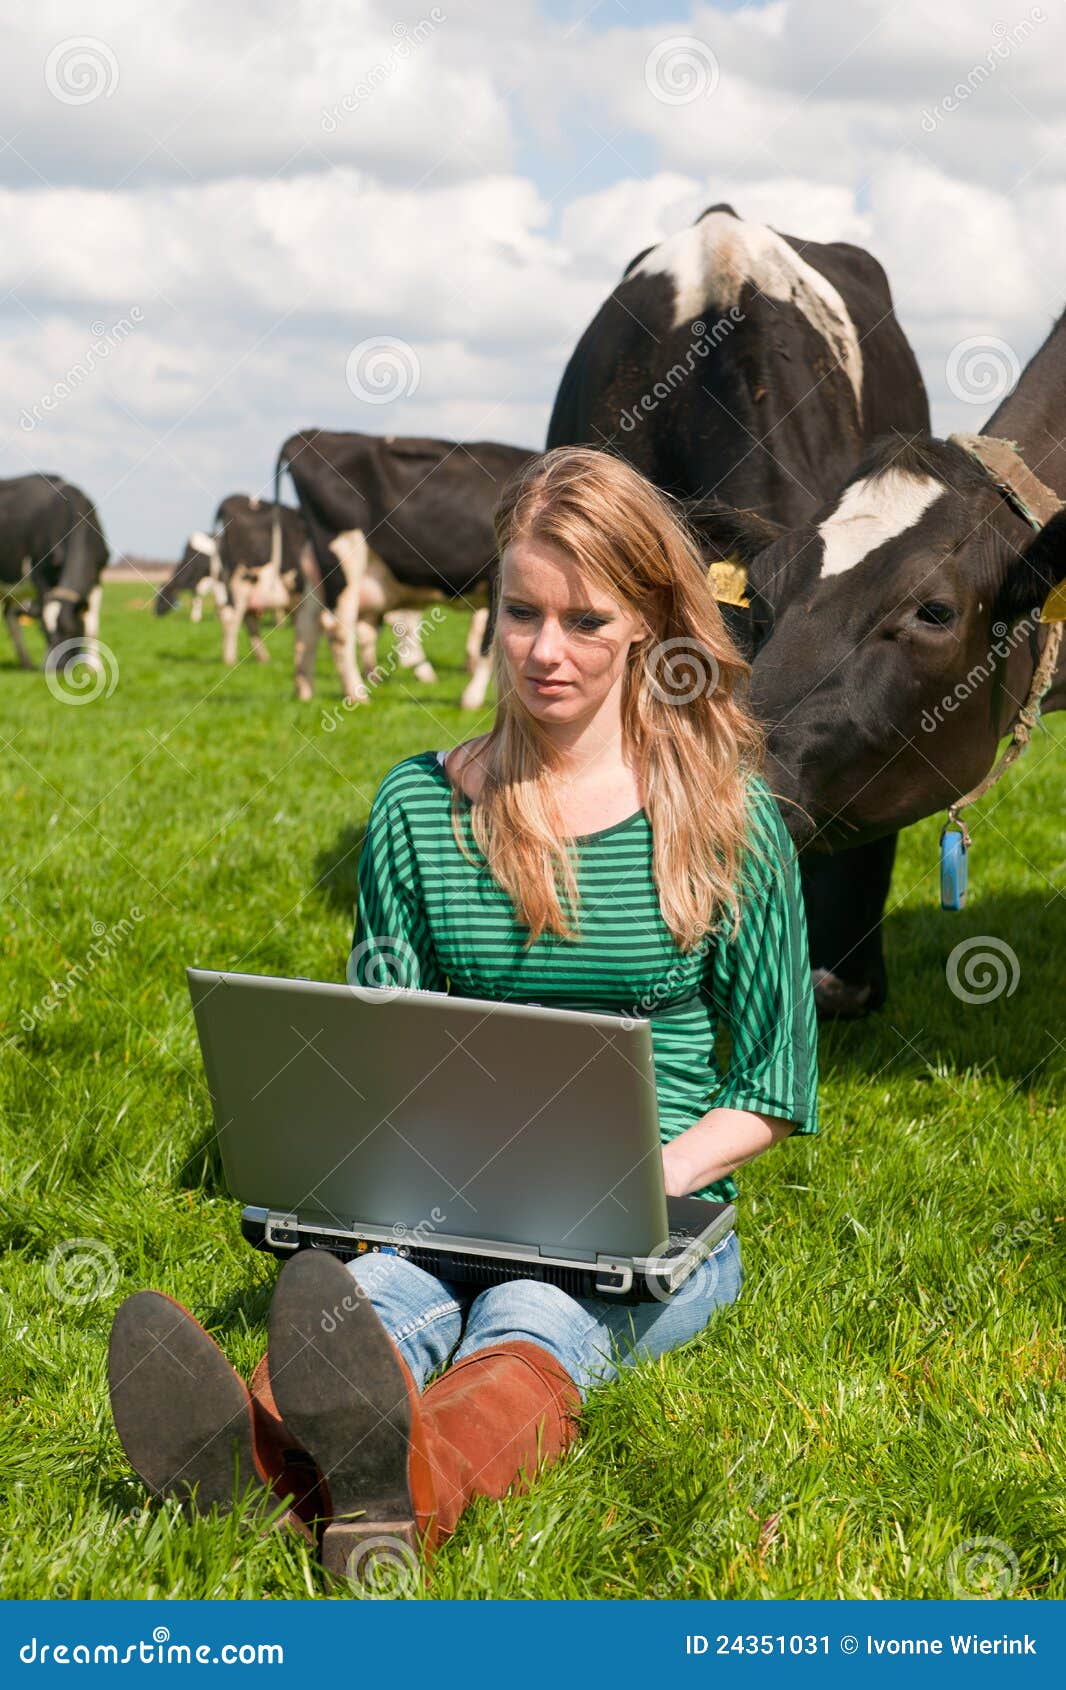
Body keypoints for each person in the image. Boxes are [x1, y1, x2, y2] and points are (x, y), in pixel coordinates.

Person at [108, 445, 818, 1587]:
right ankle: (257, 1461)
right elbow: (374, 1048)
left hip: (644, 1218)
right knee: (379, 1295)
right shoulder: (417, 808)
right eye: (521, 610)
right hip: (440, 1206)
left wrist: (634, 1185)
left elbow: (775, 1085)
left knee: (537, 1313)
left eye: (585, 619)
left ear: (646, 621)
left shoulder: (727, 818)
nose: (545, 649)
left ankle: (381, 1486)